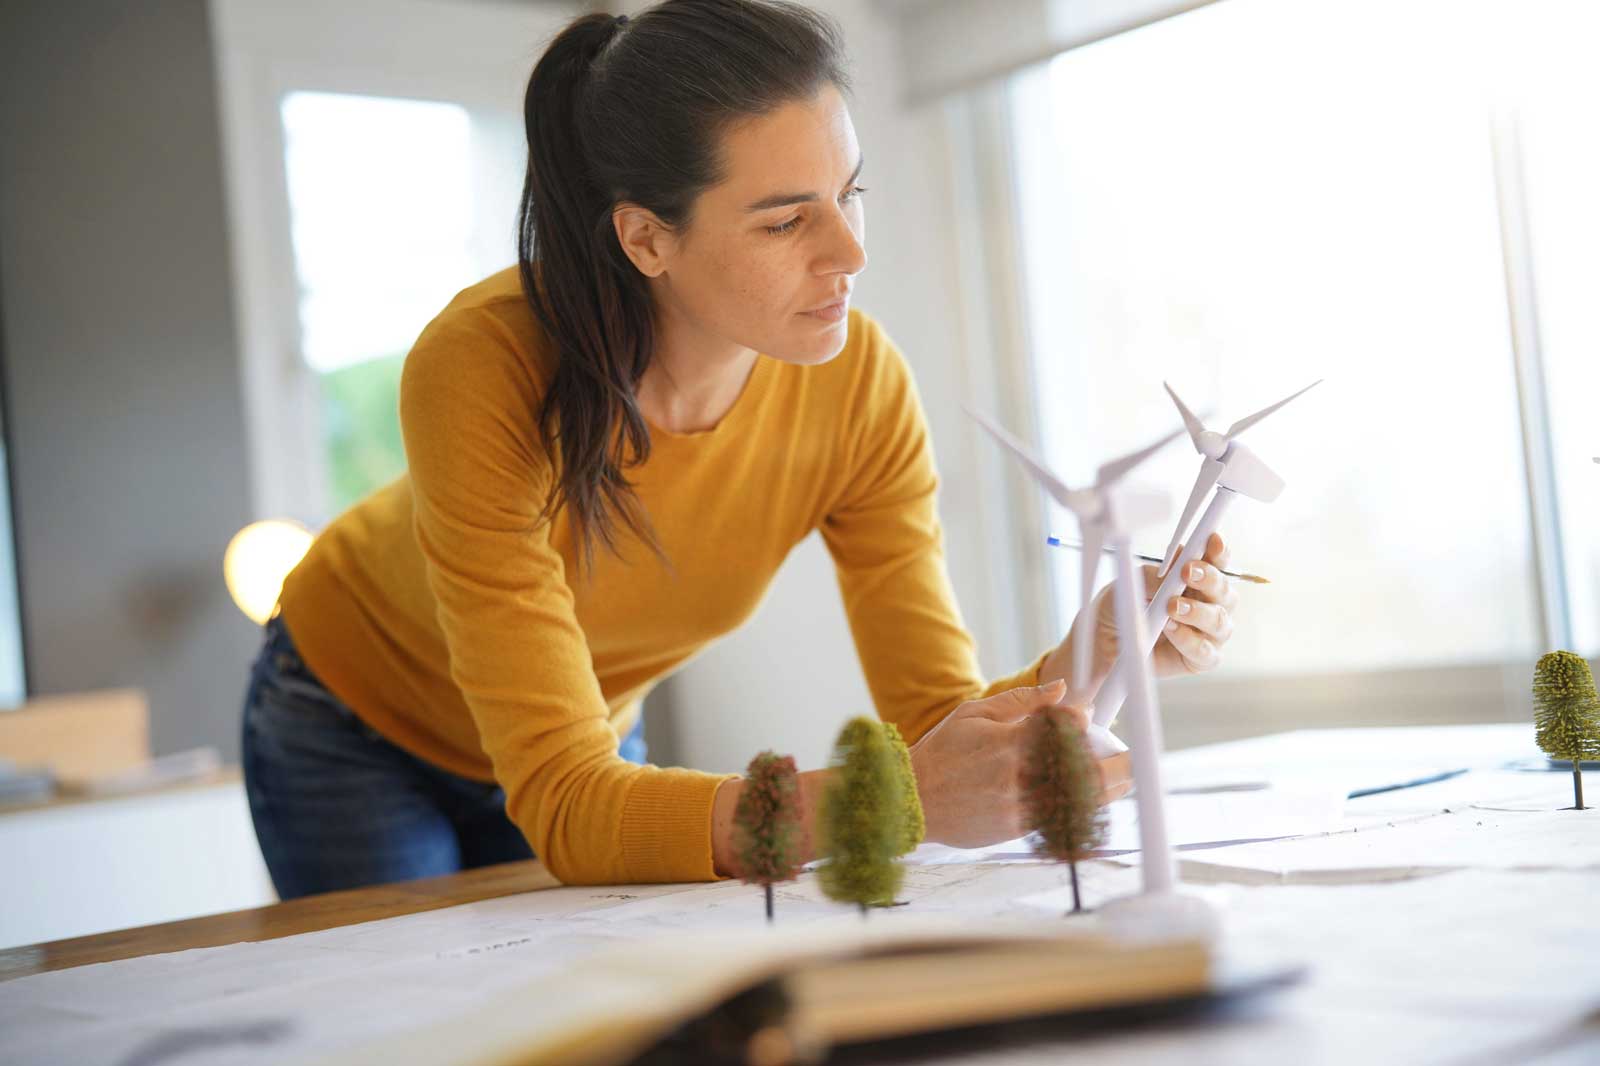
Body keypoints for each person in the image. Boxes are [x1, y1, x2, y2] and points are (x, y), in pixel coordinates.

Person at [240, 0, 1240, 900]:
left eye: (849, 193)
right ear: (645, 240)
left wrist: (1095, 654)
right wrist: (891, 803)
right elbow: (566, 807)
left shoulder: (859, 386)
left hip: (583, 732)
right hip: (355, 717)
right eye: (783, 220)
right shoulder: (484, 363)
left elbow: (936, 724)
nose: (849, 251)